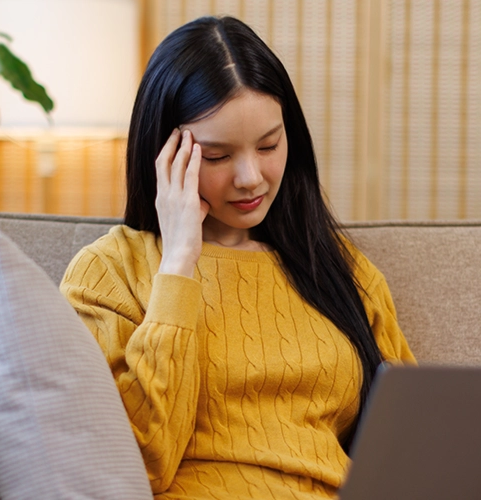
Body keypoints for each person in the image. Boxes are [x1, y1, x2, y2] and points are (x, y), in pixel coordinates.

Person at [59, 16, 416, 499]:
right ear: (164, 154)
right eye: (217, 155)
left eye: (269, 145)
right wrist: (179, 262)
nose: (251, 177)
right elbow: (144, 464)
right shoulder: (109, 274)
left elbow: (414, 443)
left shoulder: (340, 270)